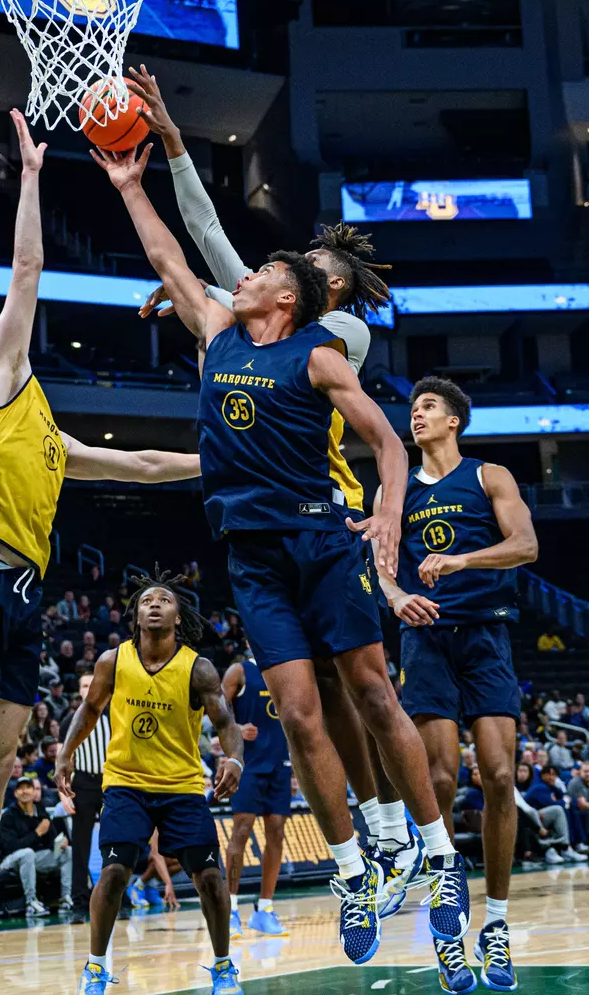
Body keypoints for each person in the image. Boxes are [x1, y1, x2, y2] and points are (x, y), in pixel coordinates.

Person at [95, 140, 468, 964]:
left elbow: (389, 444)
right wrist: (129, 182)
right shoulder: (222, 329)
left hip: (321, 536)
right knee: (299, 714)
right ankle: (350, 873)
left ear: (292, 298)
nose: (248, 272)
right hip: (253, 555)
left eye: (265, 268)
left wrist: (390, 516)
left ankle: (440, 860)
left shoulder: (326, 350)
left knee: (370, 693)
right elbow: (170, 248)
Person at [0, 111, 202, 988]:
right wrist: (29, 176)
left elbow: (138, 461)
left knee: (4, 756)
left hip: (21, 595)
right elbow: (26, 269)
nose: (5, 339)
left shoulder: (45, 430)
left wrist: (224, 463)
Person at [374, 377, 539, 993]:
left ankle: (494, 925)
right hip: (427, 639)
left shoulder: (489, 475)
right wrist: (394, 598)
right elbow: (380, 563)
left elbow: (525, 545)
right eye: (412, 408)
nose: (416, 416)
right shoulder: (396, 488)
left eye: (429, 408)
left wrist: (461, 560)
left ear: (454, 423)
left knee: (497, 775)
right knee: (439, 777)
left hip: (487, 635)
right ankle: (448, 939)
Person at [56, 572, 245, 995]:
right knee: (113, 874)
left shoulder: (198, 668)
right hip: (125, 784)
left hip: (181, 786)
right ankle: (95, 968)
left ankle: (223, 967)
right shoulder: (112, 661)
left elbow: (226, 722)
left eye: (165, 600)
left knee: (211, 879)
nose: (155, 604)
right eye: (146, 601)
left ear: (178, 616)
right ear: (136, 615)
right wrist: (65, 753)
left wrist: (234, 758)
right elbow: (88, 711)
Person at [221, 654, 290, 937]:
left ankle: (264, 910)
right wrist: (236, 729)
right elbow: (215, 708)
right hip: (248, 765)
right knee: (241, 831)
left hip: (279, 763)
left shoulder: (285, 669)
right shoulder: (240, 671)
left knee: (276, 833)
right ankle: (231, 909)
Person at [60, 669, 110, 912]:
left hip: (111, 783)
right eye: (83, 685)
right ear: (78, 691)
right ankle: (79, 900)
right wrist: (63, 792)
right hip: (83, 785)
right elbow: (61, 759)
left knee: (116, 842)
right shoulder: (69, 721)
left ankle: (115, 896)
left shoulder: (114, 715)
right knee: (80, 845)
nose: (88, 688)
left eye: (92, 684)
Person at [0, 775, 73, 915]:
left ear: (34, 792)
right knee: (27, 853)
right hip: (10, 860)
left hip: (35, 859)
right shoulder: (9, 815)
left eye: (28, 788)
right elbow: (10, 847)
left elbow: (51, 839)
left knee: (68, 851)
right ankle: (31, 902)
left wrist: (60, 843)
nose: (24, 791)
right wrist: (37, 833)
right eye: (20, 789)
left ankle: (65, 898)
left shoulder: (41, 810)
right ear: (15, 794)